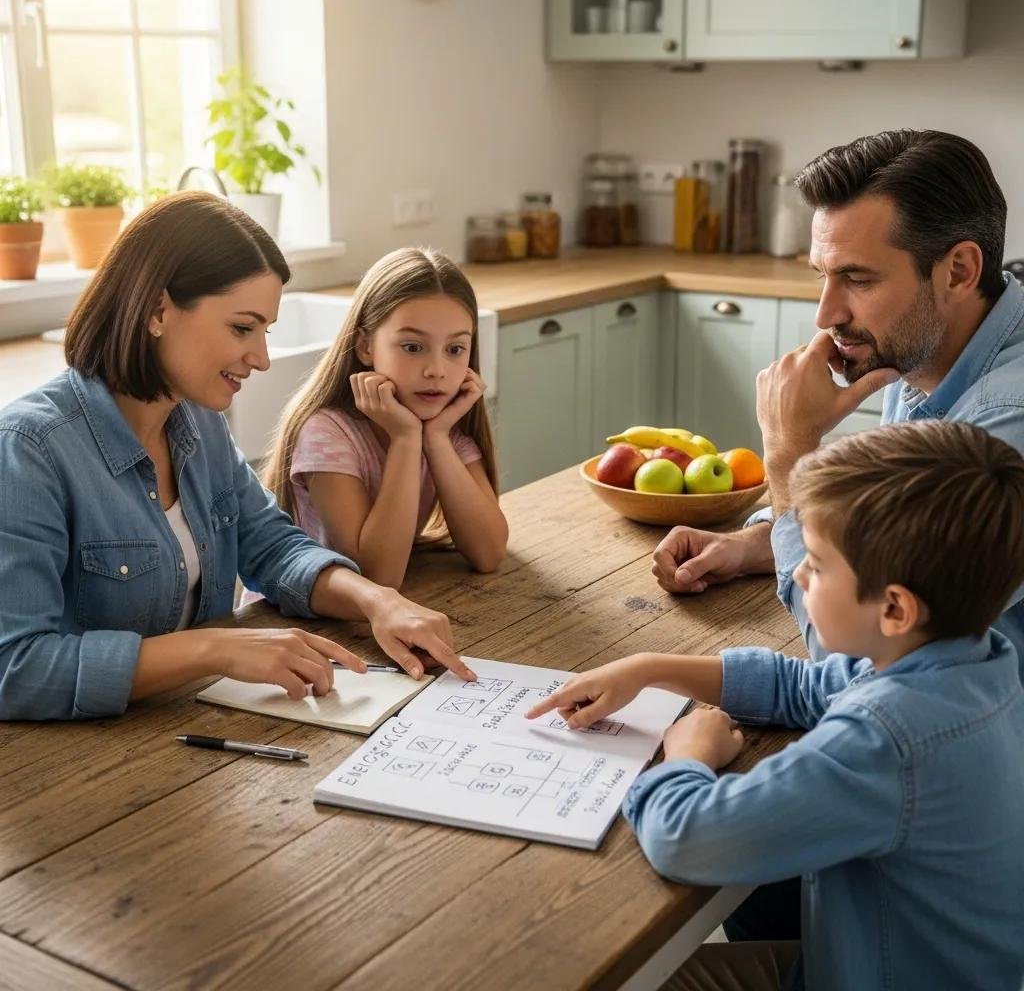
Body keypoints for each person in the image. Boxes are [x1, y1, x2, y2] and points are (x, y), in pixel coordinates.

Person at [528, 421, 1024, 991]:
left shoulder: (886, 741)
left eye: (815, 562)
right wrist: (650, 669)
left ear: (894, 610)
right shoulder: (976, 660)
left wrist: (687, 757)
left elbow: (689, 839)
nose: (797, 573)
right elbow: (806, 687)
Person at [0, 192, 476, 722]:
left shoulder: (198, 421)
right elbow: (14, 668)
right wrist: (216, 648)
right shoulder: (29, 449)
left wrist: (376, 601)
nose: (262, 358)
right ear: (158, 311)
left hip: (184, 726)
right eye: (242, 328)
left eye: (265, 331)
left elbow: (272, 547)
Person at [651, 130, 1024, 677]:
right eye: (823, 276)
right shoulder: (921, 342)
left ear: (960, 271)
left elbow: (866, 661)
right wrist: (760, 542)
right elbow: (897, 537)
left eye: (857, 278)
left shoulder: (1005, 424)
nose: (826, 315)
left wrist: (787, 456)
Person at [259, 247, 507, 591]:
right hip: (292, 625)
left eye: (455, 349)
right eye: (412, 347)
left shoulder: (445, 430)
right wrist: (406, 440)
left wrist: (434, 438)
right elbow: (377, 578)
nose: (436, 370)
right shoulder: (327, 434)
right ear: (365, 347)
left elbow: (489, 553)